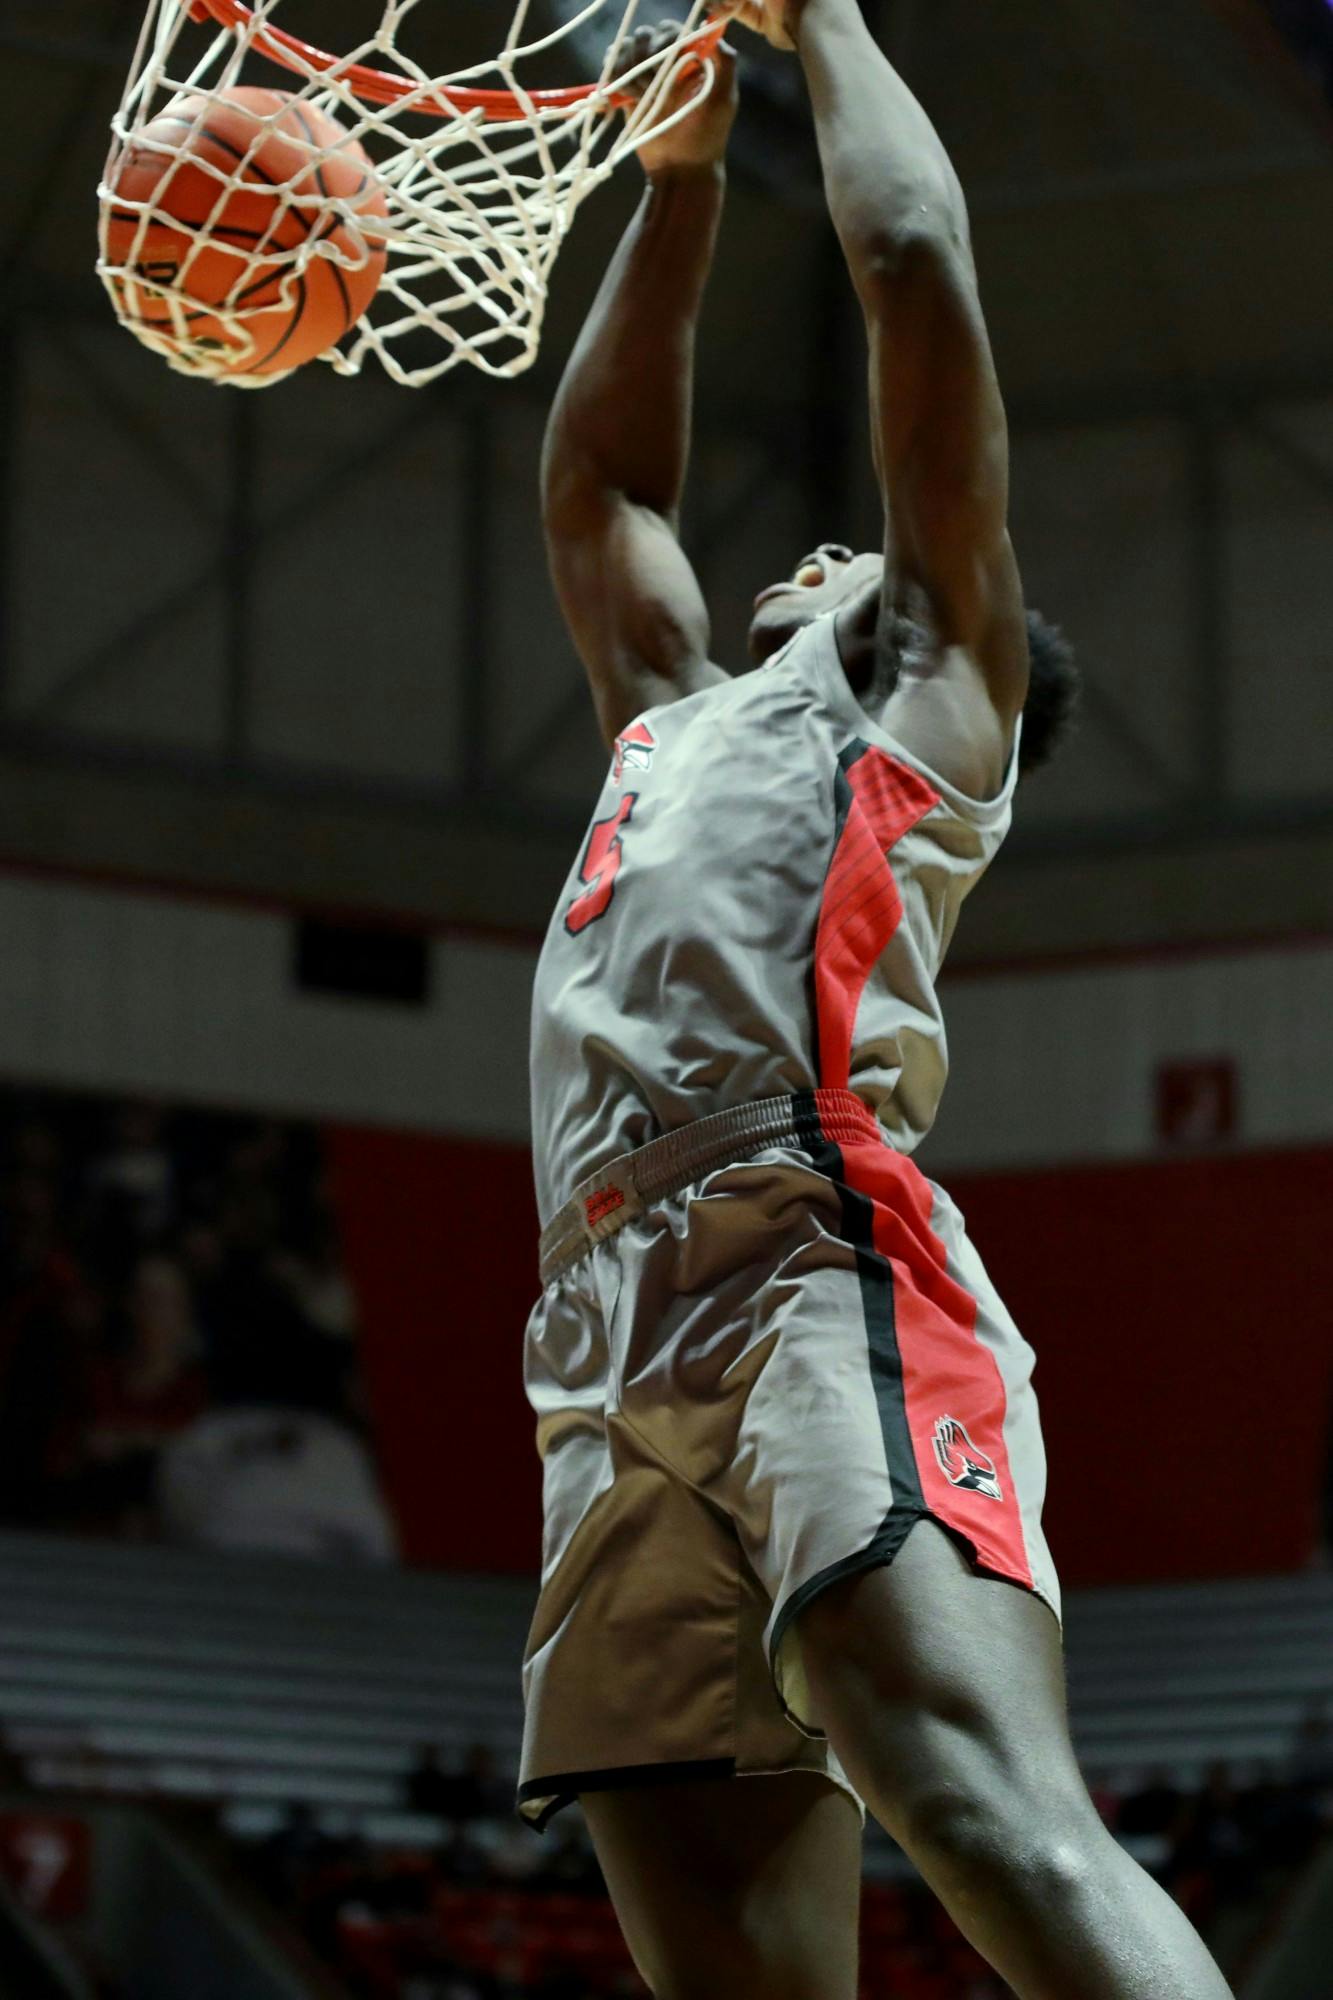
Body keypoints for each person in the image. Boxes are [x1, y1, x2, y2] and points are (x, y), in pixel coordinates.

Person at [515, 4, 1234, 1997]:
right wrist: (667, 178)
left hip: (798, 1246)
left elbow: (910, 262)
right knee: (723, 1961)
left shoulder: (925, 687)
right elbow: (595, 486)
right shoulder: (673, 717)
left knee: (977, 1799)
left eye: (862, 542)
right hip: (599, 1320)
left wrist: (808, 19)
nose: (822, 542)